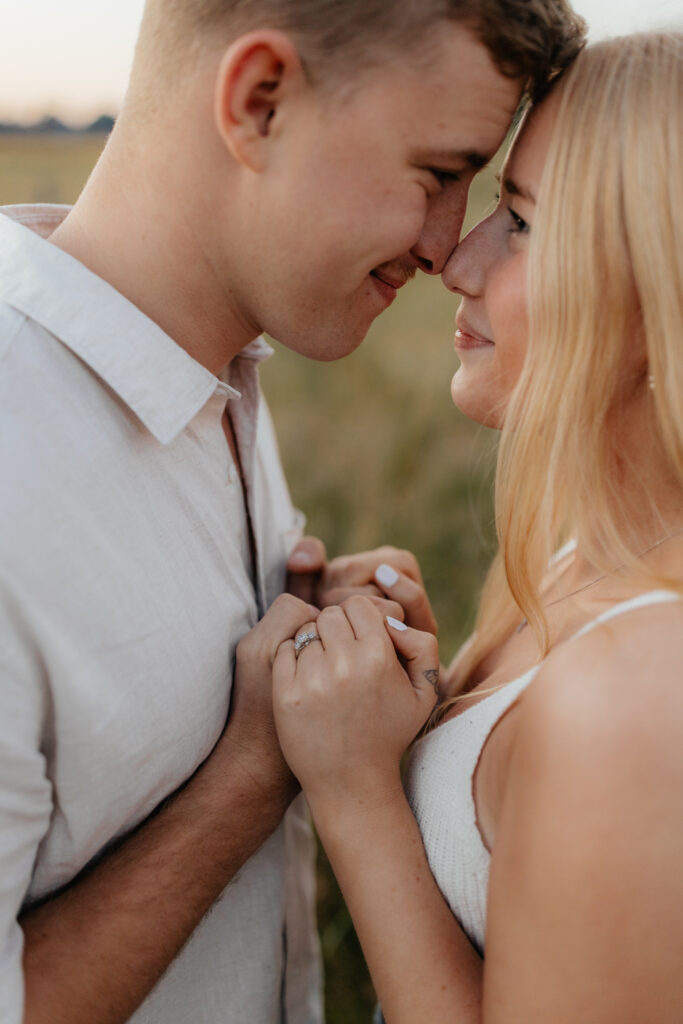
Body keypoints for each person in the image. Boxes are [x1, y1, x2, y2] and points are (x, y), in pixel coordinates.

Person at [0, 1, 587, 1022]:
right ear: (259, 102)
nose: (445, 250)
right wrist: (253, 767)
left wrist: (309, 640)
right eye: (437, 173)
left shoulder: (216, 368)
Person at [258, 32, 683, 1023]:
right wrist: (419, 701)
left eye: (524, 224)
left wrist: (357, 790)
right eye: (494, 202)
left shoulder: (641, 686)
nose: (456, 258)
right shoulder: (587, 556)